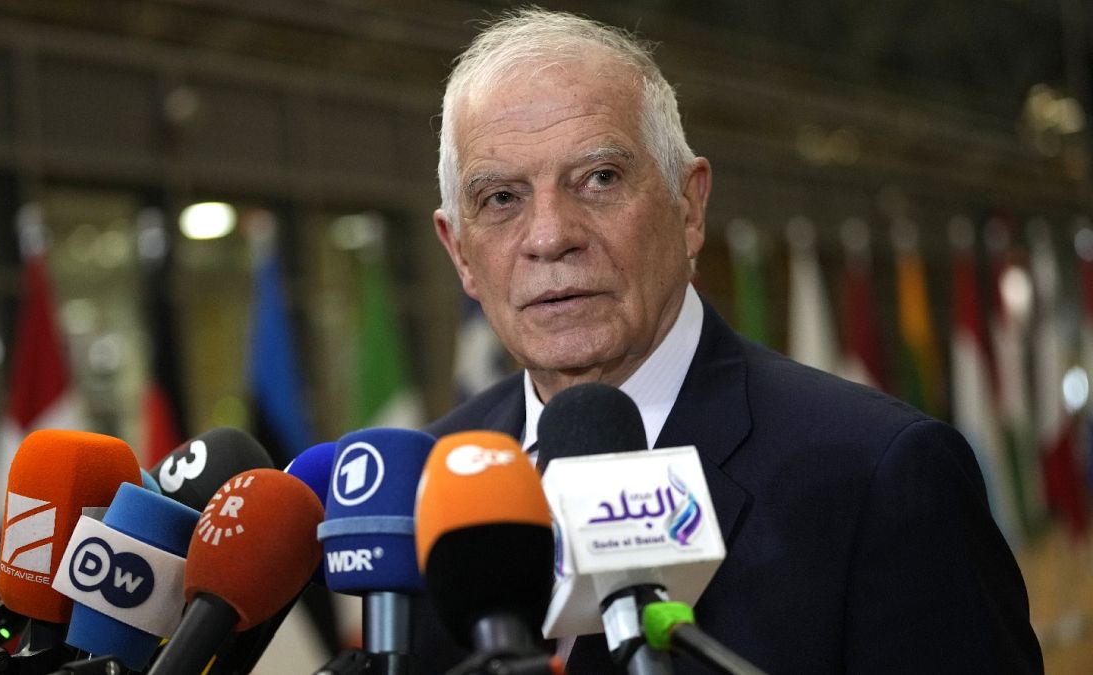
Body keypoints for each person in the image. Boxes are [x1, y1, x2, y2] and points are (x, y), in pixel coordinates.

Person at [414, 7, 1042, 674]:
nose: (549, 236)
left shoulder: (880, 477)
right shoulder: (424, 488)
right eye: (501, 198)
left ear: (691, 208)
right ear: (458, 252)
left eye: (599, 178)